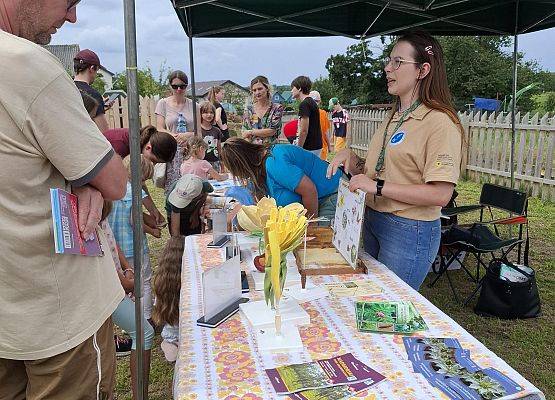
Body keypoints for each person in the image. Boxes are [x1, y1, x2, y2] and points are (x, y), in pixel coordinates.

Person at [0, 2, 128, 398]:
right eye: (70, 1)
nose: (71, 17)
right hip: (58, 318)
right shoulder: (25, 63)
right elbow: (114, 181)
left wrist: (80, 177)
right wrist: (87, 180)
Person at [328, 31, 463, 290]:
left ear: (423, 70)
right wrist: (352, 159)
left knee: (391, 308)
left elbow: (441, 194)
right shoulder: (395, 116)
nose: (387, 68)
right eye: (389, 61)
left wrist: (377, 187)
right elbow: (379, 170)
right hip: (373, 220)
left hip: (409, 229)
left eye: (397, 62)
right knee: (373, 302)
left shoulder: (440, 122)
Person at [101, 202, 154, 400]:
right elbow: (99, 250)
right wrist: (123, 281)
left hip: (114, 284)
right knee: (143, 332)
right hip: (106, 287)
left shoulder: (100, 207)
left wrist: (127, 268)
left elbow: (110, 241)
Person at [220, 138, 342, 221]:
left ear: (242, 166)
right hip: (322, 200)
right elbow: (254, 200)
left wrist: (311, 226)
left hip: (332, 196)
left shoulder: (273, 162)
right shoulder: (261, 169)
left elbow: (309, 190)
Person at [108, 156, 158, 323]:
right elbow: (135, 222)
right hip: (135, 246)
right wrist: (152, 231)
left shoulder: (113, 190)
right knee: (143, 282)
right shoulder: (135, 192)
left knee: (127, 283)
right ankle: (147, 318)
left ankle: (131, 320)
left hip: (118, 248)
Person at [156, 70, 201, 195]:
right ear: (170, 86)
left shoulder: (195, 106)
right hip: (172, 151)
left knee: (191, 187)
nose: (179, 89)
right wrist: (173, 136)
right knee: (173, 189)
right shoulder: (163, 103)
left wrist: (188, 135)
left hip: (190, 151)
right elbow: (159, 128)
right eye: (175, 86)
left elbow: (198, 132)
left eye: (182, 86)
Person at [152, 236, 185, 363]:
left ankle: (171, 345)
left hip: (170, 333)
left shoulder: (161, 281)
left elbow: (158, 309)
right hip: (185, 332)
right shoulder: (188, 282)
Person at [74, 48, 110, 133]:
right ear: (92, 68)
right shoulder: (93, 95)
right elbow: (104, 132)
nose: (96, 74)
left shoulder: (67, 87)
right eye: (96, 70)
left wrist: (101, 108)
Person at [242, 75, 284, 145]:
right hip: (253, 150)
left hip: (271, 150)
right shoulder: (249, 110)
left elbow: (272, 131)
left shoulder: (277, 108)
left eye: (260, 89)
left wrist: (251, 132)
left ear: (267, 88)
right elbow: (244, 133)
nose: (257, 92)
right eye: (254, 90)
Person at [291, 76, 323, 157]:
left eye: (293, 88)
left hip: (309, 147)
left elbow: (304, 130)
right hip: (316, 145)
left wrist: (299, 148)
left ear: (299, 88)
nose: (291, 91)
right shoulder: (311, 102)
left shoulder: (304, 104)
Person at [199, 101, 224, 171]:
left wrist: (222, 165)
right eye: (206, 112)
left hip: (215, 163)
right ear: (200, 114)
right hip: (202, 163)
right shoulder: (197, 130)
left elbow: (219, 149)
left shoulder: (217, 130)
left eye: (211, 112)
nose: (209, 115)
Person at [309, 90, 332, 160]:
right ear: (319, 101)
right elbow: (326, 133)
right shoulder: (323, 113)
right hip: (321, 148)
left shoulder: (305, 113)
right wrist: (329, 146)